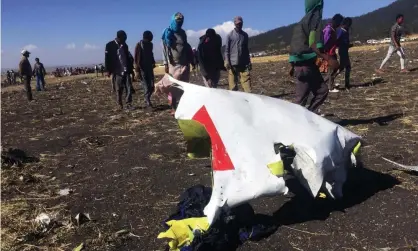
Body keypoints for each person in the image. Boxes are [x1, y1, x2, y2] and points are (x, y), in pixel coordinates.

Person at [288, 0, 338, 114]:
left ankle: (309, 116)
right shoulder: (315, 20)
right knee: (301, 101)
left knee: (321, 91)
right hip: (307, 66)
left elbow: (293, 46)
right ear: (319, 5)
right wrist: (329, 59)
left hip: (300, 65)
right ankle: (296, 123)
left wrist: (291, 65)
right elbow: (313, 44)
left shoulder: (300, 23)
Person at [156, 12, 194, 114]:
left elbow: (186, 46)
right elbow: (164, 49)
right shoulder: (168, 32)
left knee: (183, 86)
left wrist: (190, 60)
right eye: (177, 21)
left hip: (184, 63)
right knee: (172, 86)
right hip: (173, 64)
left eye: (181, 22)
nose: (179, 24)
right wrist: (166, 64)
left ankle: (181, 106)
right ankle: (173, 107)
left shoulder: (182, 33)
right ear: (173, 21)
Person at [105, 30, 134, 110]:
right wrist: (108, 70)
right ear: (119, 38)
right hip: (117, 70)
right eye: (124, 38)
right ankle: (119, 104)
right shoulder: (109, 45)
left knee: (128, 87)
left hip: (126, 69)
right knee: (119, 89)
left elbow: (128, 58)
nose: (125, 40)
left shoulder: (125, 45)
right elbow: (107, 59)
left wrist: (131, 69)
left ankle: (129, 103)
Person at [225, 16, 252, 93]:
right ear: (234, 24)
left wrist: (249, 61)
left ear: (242, 23)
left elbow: (246, 50)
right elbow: (227, 50)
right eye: (237, 24)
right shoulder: (230, 35)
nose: (239, 25)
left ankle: (248, 100)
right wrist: (227, 62)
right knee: (233, 86)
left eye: (240, 23)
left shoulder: (245, 35)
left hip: (243, 63)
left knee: (247, 85)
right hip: (233, 63)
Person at [322, 13, 344, 92]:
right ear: (336, 21)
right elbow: (325, 41)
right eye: (339, 22)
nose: (339, 24)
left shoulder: (333, 29)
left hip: (332, 51)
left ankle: (326, 84)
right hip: (329, 52)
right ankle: (329, 87)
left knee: (335, 69)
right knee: (332, 69)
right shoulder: (329, 29)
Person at [134, 30, 156, 108]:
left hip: (149, 68)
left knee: (152, 86)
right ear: (147, 37)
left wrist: (153, 62)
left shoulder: (150, 45)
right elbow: (136, 58)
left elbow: (151, 54)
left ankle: (147, 98)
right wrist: (137, 71)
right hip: (142, 69)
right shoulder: (139, 45)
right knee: (146, 85)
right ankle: (147, 101)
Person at [336, 17, 353, 89]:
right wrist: (343, 45)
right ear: (346, 24)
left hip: (345, 51)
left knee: (344, 68)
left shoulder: (346, 31)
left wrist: (348, 45)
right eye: (349, 24)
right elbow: (337, 40)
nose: (349, 26)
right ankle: (330, 79)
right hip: (342, 51)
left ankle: (347, 83)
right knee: (345, 68)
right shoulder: (341, 31)